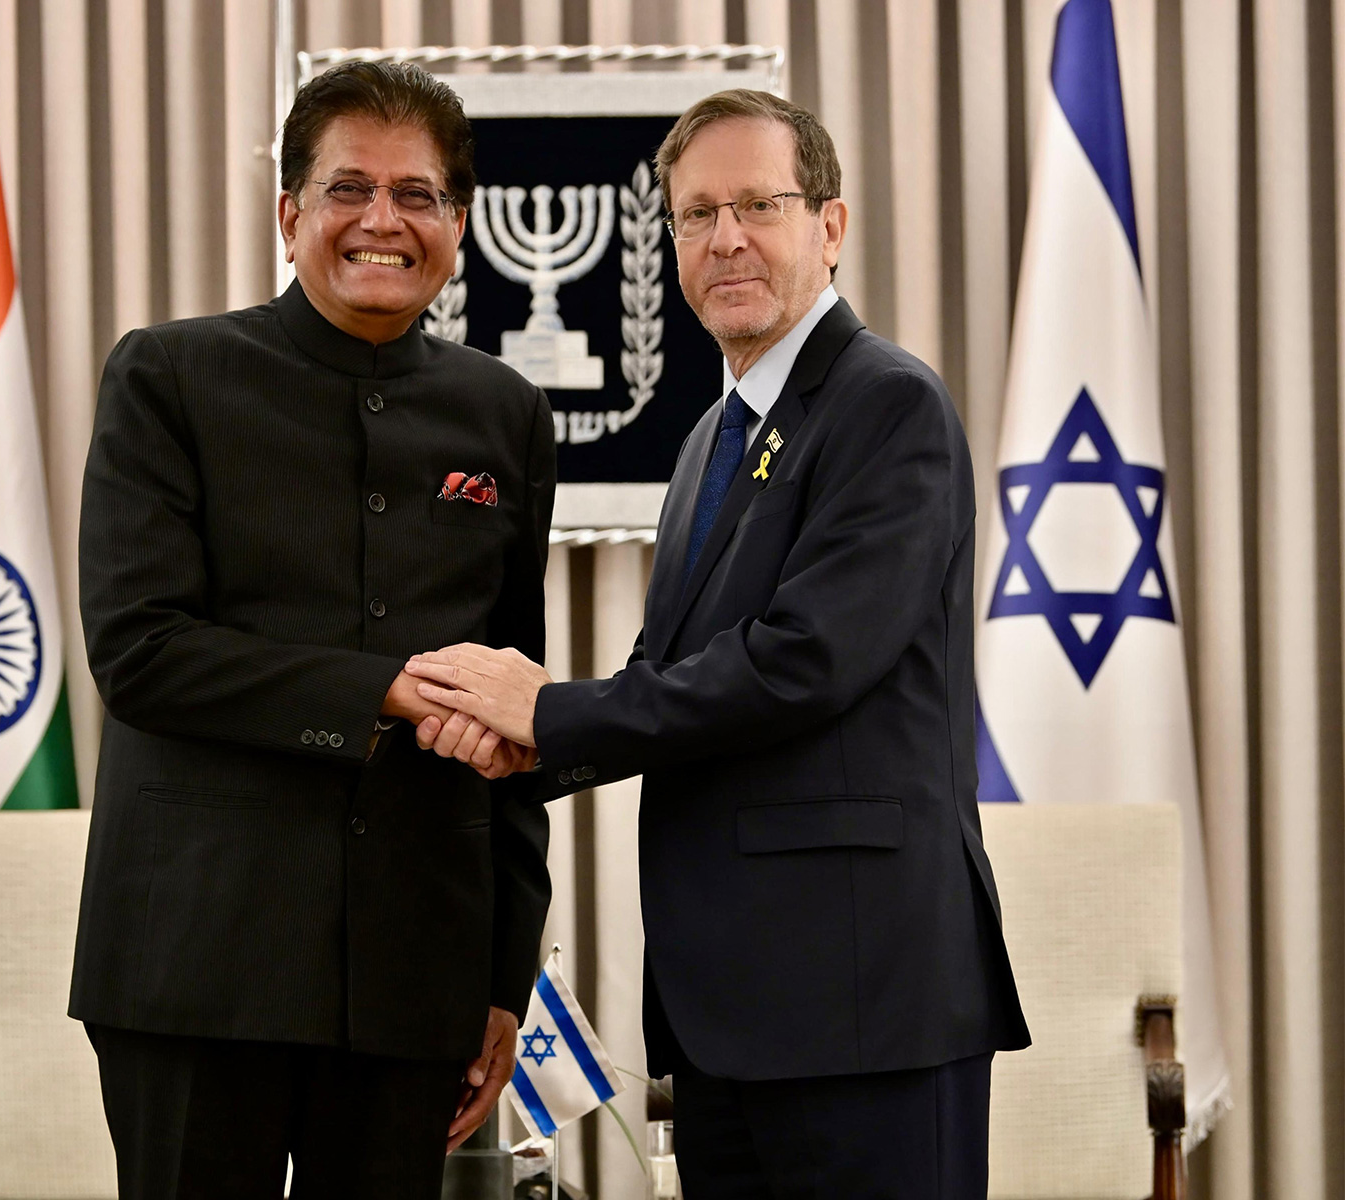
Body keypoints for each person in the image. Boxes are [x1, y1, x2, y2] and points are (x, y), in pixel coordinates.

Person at [406, 89, 1031, 1199]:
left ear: (828, 227)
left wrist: (544, 711)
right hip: (732, 1022)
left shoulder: (890, 406)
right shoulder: (710, 438)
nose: (725, 237)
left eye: (757, 205)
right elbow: (673, 677)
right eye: (695, 214)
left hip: (862, 1008)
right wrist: (522, 749)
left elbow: (801, 662)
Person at [68, 61, 552, 1200]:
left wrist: (504, 976)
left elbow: (515, 711)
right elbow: (140, 650)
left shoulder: (505, 412)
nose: (383, 220)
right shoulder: (169, 376)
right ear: (289, 215)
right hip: (195, 965)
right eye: (348, 188)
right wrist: (379, 692)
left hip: (413, 978)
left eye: (419, 194)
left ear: (459, 225)